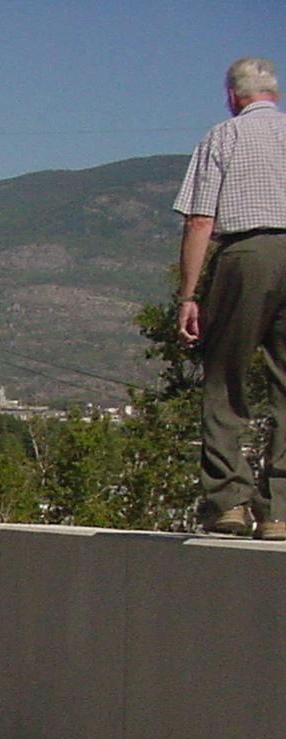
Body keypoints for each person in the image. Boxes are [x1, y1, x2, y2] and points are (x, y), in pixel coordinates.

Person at [174, 56, 286, 539]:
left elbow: (200, 219)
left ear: (231, 96)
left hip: (246, 253)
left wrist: (188, 295)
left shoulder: (224, 136)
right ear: (275, 94)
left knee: (225, 378)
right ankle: (280, 511)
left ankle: (230, 503)